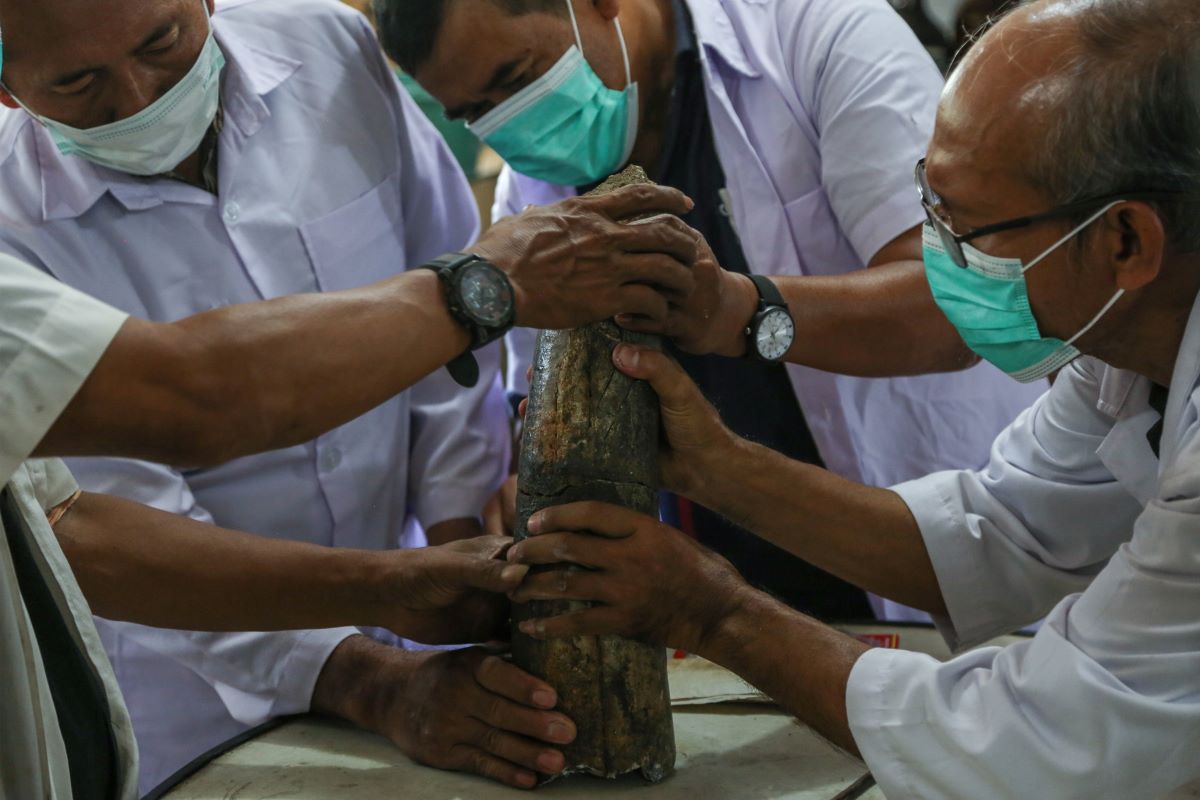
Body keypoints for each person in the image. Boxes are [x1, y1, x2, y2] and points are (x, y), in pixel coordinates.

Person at [505, 0, 1200, 796]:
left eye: (966, 228)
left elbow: (1035, 740)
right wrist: (711, 465)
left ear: (1125, 241)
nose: (938, 251)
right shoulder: (1119, 360)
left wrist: (712, 612)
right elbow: (996, 534)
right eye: (928, 204)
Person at [0, 0, 699, 786]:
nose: (139, 98)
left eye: (162, 41)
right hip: (190, 710)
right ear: (6, 89)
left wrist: (461, 525)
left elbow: (447, 305)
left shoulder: (327, 48)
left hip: (423, 637)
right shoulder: (9, 234)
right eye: (78, 82)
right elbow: (118, 511)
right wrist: (366, 676)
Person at [375, 0, 1047, 620]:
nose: (512, 123)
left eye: (517, 79)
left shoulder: (818, 38)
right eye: (475, 113)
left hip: (937, 551)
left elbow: (959, 312)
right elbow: (535, 408)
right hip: (723, 608)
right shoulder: (532, 197)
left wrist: (740, 312)